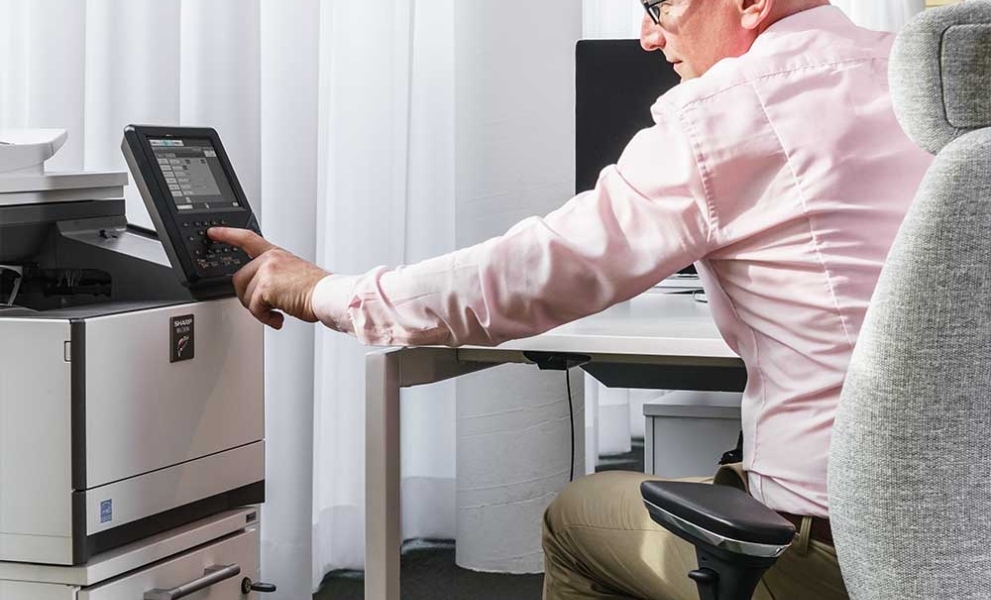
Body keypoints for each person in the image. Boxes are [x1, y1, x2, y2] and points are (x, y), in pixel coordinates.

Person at [209, 0, 934, 597]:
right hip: (965, 531)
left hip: (847, 552)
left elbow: (522, 277)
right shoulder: (926, 81)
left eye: (661, 5)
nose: (648, 34)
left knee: (576, 517)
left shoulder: (726, 114)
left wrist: (328, 292)